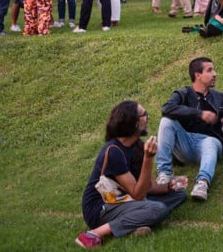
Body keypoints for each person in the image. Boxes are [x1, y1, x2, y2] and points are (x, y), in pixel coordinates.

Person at [77, 101, 186, 249]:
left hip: (124, 200)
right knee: (158, 209)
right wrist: (148, 158)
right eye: (144, 115)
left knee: (178, 195)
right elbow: (138, 195)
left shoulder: (137, 146)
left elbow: (145, 186)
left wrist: (168, 186)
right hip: (102, 207)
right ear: (134, 123)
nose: (147, 118)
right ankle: (94, 233)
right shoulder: (113, 151)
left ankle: (133, 227)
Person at [156, 57, 223, 202]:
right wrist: (199, 114)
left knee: (210, 141)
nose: (215, 74)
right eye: (210, 70)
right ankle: (164, 174)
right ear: (197, 75)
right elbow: (166, 109)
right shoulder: (183, 93)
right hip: (186, 142)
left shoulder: (220, 97)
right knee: (166, 121)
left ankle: (202, 183)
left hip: (209, 143)